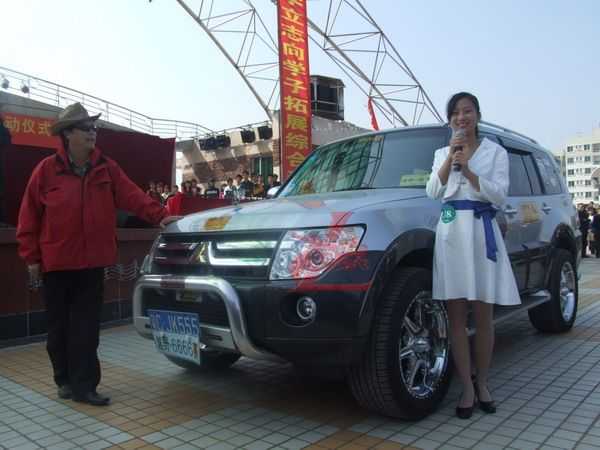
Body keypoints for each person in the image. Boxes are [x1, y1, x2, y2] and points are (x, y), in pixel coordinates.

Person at [16, 103, 179, 407]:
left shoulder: (106, 167)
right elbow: (29, 217)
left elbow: (132, 195)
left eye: (94, 128)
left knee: (87, 328)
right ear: (67, 134)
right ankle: (64, 379)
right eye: (85, 128)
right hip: (55, 264)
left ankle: (85, 386)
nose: (92, 133)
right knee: (59, 328)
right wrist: (32, 258)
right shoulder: (46, 171)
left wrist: (160, 215)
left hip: (92, 263)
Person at [425, 92, 520, 419]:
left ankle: (483, 383)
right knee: (455, 316)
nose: (461, 117)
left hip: (481, 231)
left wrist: (467, 171)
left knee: (482, 315)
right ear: (449, 119)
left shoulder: (495, 152)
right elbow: (432, 192)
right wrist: (450, 160)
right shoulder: (442, 152)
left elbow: (499, 194)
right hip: (451, 232)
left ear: (477, 115)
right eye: (455, 112)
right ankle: (466, 386)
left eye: (467, 111)